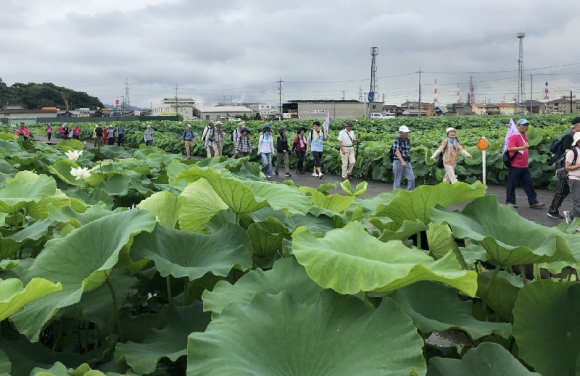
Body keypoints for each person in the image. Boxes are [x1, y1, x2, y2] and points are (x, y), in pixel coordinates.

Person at [505, 118, 545, 209]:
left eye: (526, 125)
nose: (525, 127)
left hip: (524, 165)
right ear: (518, 126)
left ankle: (533, 202)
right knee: (512, 184)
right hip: (515, 164)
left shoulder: (524, 136)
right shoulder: (515, 136)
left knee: (529, 184)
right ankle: (510, 202)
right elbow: (510, 148)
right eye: (523, 125)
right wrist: (523, 147)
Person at [547, 117, 580, 219]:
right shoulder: (569, 137)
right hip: (567, 168)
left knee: (565, 191)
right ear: (576, 125)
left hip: (574, 169)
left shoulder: (574, 135)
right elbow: (567, 153)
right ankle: (553, 211)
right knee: (562, 191)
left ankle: (567, 213)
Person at [563, 132, 580, 226]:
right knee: (577, 201)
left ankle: (570, 214)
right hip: (574, 178)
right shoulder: (572, 152)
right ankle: (577, 225)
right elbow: (567, 167)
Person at [392, 125, 415, 190]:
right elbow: (397, 151)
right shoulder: (397, 140)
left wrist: (406, 161)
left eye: (407, 132)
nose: (407, 134)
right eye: (405, 132)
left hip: (407, 161)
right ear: (401, 133)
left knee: (411, 178)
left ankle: (410, 193)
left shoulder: (408, 140)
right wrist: (402, 161)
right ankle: (395, 194)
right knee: (397, 179)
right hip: (398, 161)